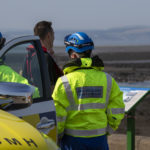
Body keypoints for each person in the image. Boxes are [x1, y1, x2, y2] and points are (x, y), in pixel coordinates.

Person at [52, 32, 125, 150]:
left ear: (73, 55)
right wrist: (108, 130)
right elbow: (117, 109)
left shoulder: (64, 82)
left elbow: (58, 115)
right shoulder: (107, 79)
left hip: (72, 141)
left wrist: (58, 135)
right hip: (99, 140)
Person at [23, 21, 63, 89]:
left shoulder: (29, 55)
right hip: (46, 99)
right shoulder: (45, 58)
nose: (54, 38)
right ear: (48, 36)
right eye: (53, 34)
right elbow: (51, 87)